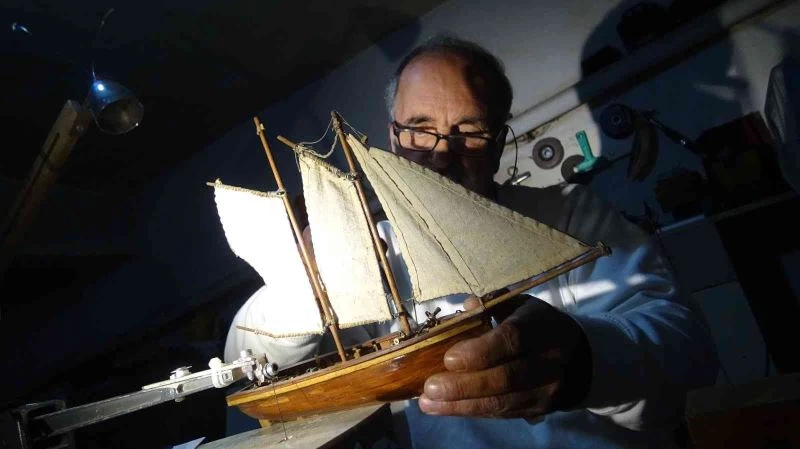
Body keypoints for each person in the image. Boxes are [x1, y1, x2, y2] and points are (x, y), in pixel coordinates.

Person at [225, 35, 719, 449]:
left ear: (499, 143)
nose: (442, 156)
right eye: (420, 130)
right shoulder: (361, 251)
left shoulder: (568, 216)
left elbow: (684, 344)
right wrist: (305, 286)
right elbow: (248, 367)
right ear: (393, 138)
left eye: (470, 131)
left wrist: (585, 359)